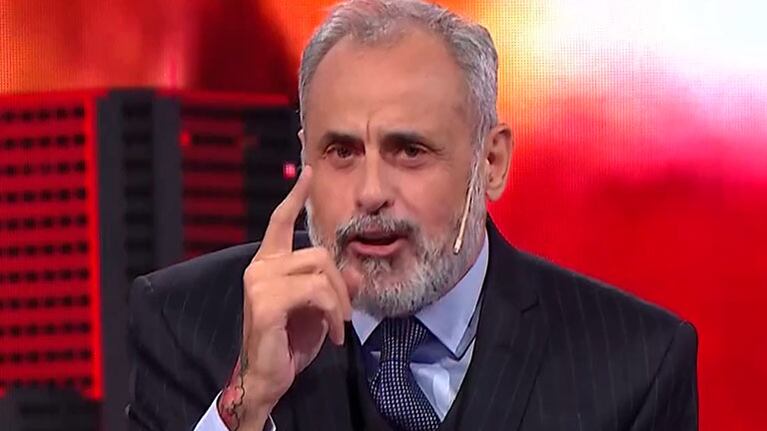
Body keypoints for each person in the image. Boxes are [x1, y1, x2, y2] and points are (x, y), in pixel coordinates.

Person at [127, 1, 699, 430]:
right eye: (342, 151)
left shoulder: (634, 365)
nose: (371, 192)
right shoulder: (187, 324)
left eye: (409, 151)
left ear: (491, 163)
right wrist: (248, 405)